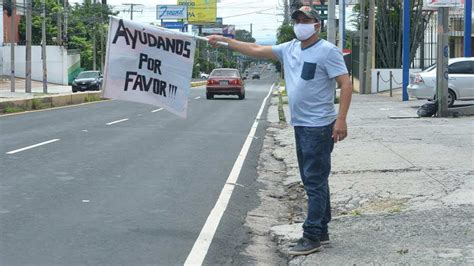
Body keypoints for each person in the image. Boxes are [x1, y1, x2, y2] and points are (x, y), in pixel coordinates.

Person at [208, 5, 352, 256]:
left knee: (314, 181)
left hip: (319, 125)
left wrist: (341, 120)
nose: (300, 24)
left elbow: (346, 84)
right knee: (314, 179)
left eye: (305, 20)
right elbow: (254, 49)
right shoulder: (290, 48)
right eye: (297, 20)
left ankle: (311, 236)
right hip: (301, 124)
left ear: (317, 26)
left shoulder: (328, 51)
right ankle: (322, 230)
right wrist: (225, 41)